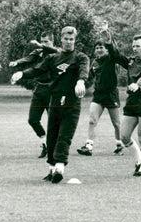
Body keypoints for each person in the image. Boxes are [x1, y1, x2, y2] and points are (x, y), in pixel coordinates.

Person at [11, 26, 89, 184]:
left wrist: (81, 81)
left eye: (71, 39)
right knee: (52, 135)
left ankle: (60, 167)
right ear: (61, 39)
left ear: (75, 40)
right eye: (66, 39)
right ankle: (52, 169)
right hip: (55, 100)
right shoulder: (53, 58)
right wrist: (22, 73)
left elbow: (83, 71)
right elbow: (37, 69)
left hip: (71, 102)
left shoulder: (81, 57)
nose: (68, 42)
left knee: (64, 135)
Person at [106, 34, 141, 176]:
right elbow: (115, 55)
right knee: (124, 137)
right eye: (133, 46)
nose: (134, 49)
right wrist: (108, 38)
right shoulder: (130, 62)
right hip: (132, 101)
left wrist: (138, 85)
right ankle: (139, 161)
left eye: (138, 46)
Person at [9, 32, 60, 158]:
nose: (43, 44)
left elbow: (56, 51)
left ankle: (57, 148)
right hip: (39, 89)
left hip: (52, 90)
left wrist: (41, 46)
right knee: (33, 120)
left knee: (53, 121)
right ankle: (45, 144)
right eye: (42, 41)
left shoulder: (57, 53)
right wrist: (17, 62)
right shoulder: (39, 51)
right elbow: (28, 59)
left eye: (46, 42)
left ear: (52, 41)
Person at [77, 25, 123, 156]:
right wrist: (80, 85)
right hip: (98, 95)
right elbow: (89, 77)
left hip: (111, 95)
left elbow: (115, 51)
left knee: (116, 123)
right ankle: (89, 146)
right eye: (96, 48)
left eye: (101, 47)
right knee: (92, 120)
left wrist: (108, 36)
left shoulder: (111, 59)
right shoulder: (95, 63)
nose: (98, 50)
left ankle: (119, 144)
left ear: (106, 50)